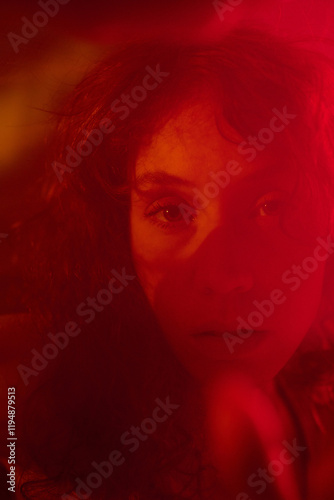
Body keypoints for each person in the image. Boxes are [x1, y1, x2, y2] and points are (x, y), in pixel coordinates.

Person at [16, 27, 334, 499]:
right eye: (171, 210)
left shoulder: (318, 383)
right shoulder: (29, 430)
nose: (225, 278)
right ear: (114, 231)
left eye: (272, 206)